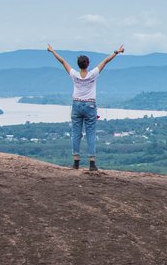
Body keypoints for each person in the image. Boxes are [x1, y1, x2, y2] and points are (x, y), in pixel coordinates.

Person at [47, 43, 124, 171]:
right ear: (88, 64)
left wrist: (52, 51)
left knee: (76, 133)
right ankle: (92, 163)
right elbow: (105, 61)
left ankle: (76, 162)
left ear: (78, 65)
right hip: (90, 105)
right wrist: (117, 51)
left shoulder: (74, 75)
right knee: (91, 134)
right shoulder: (93, 74)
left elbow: (63, 61)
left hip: (76, 105)